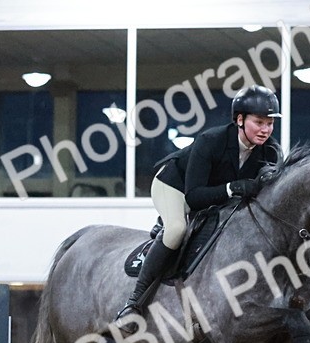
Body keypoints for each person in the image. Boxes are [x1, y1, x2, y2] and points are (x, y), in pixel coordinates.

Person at [116, 84, 284, 322]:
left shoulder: (270, 152)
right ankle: (134, 302)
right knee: (177, 230)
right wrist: (232, 188)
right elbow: (194, 197)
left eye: (270, 123)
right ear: (240, 120)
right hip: (174, 186)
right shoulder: (211, 140)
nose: (265, 129)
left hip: (215, 197)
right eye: (259, 122)